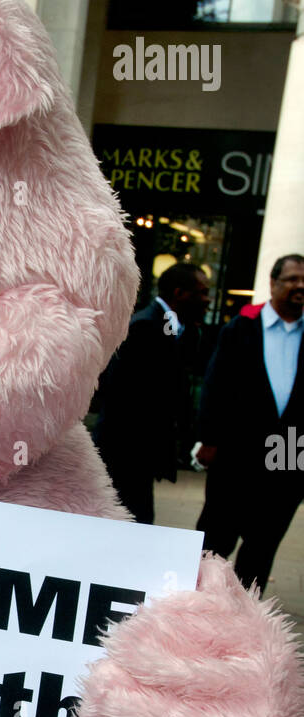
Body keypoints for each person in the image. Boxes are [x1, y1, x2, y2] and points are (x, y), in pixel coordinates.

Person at [195, 253, 304, 594]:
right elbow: (216, 384)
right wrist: (208, 439)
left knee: (263, 542)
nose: (300, 286)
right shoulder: (242, 327)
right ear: (273, 283)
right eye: (292, 279)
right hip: (238, 450)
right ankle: (194, 602)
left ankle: (245, 617)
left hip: (290, 453)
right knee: (215, 538)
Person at [92, 262, 209, 523]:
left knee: (137, 523)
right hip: (124, 454)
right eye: (202, 292)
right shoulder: (143, 328)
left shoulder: (181, 329)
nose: (207, 300)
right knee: (133, 523)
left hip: (139, 457)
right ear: (180, 293)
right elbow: (121, 398)